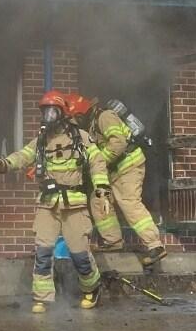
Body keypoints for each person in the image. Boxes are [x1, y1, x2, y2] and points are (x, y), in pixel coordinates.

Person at [0, 90, 112, 312]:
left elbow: (97, 162)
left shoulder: (80, 137)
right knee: (43, 251)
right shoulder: (41, 141)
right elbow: (23, 155)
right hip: (47, 203)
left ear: (63, 113)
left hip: (74, 204)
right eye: (45, 112)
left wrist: (102, 190)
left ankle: (91, 288)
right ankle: (42, 297)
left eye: (52, 112)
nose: (48, 117)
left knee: (80, 254)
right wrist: (5, 164)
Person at [65, 93, 166, 267]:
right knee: (99, 200)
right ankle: (113, 241)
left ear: (81, 114)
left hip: (129, 165)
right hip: (114, 170)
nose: (75, 123)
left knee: (128, 201)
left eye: (75, 119)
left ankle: (155, 245)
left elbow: (118, 143)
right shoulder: (91, 126)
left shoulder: (105, 117)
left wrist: (99, 162)